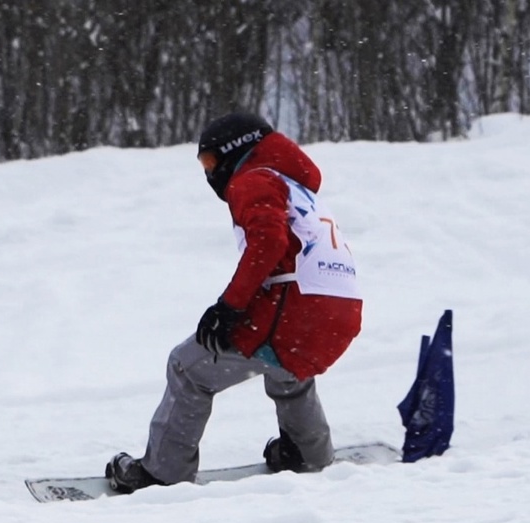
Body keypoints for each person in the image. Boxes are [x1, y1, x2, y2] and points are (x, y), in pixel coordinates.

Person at [105, 112, 363, 494]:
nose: (209, 174)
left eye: (210, 162)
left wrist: (230, 307)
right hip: (337, 313)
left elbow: (268, 242)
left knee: (187, 367)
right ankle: (308, 455)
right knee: (287, 370)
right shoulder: (297, 188)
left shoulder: (254, 178)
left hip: (296, 312)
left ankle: (163, 473)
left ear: (233, 152)